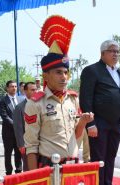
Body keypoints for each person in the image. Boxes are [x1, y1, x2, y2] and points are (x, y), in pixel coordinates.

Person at [24, 15, 93, 170]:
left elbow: (75, 136)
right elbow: (31, 146)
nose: (64, 77)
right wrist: (35, 179)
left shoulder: (73, 99)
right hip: (48, 169)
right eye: (58, 72)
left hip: (71, 168)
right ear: (45, 76)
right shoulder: (35, 103)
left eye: (66, 72)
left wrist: (82, 122)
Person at [80, 40, 120, 185]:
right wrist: (90, 124)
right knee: (98, 158)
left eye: (117, 51)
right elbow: (85, 99)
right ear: (102, 53)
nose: (115, 54)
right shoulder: (92, 71)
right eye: (112, 51)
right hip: (99, 123)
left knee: (110, 157)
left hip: (116, 123)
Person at [0, 80, 22, 175]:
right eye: (12, 86)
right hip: (8, 132)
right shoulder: (2, 100)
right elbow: (4, 116)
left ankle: (18, 170)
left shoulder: (21, 99)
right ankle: (8, 171)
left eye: (15, 86)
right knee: (8, 153)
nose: (14, 88)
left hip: (19, 133)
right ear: (7, 88)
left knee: (19, 152)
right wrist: (16, 125)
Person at [13, 82, 37, 171]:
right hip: (27, 144)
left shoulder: (40, 104)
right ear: (25, 91)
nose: (35, 91)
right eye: (32, 90)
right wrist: (21, 144)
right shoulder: (20, 107)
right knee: (28, 167)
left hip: (40, 143)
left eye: (36, 89)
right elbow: (18, 127)